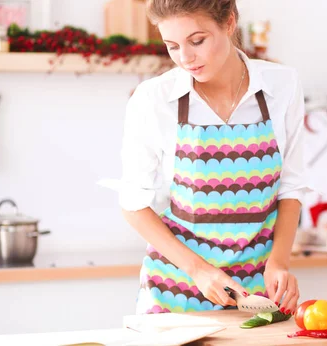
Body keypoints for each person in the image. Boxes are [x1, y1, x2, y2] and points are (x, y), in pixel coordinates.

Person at [118, 0, 309, 315]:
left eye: (197, 41)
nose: (185, 58)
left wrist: (279, 262)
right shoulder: (153, 100)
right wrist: (198, 270)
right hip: (176, 288)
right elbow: (133, 204)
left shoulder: (283, 85)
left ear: (230, 22)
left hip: (256, 292)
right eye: (172, 46)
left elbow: (291, 185)